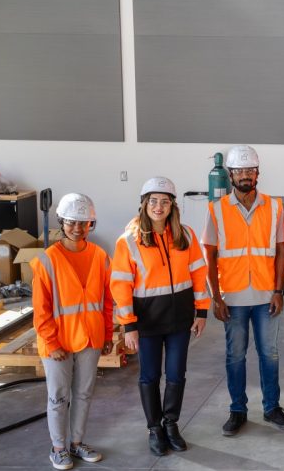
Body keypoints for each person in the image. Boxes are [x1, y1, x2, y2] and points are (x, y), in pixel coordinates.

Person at [111, 177, 209, 456]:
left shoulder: (185, 235)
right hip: (148, 322)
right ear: (144, 204)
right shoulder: (128, 241)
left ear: (172, 206)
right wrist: (128, 325)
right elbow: (121, 285)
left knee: (177, 374)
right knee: (150, 376)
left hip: (179, 320)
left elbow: (198, 276)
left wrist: (201, 312)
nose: (159, 206)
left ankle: (171, 424)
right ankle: (154, 428)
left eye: (165, 201)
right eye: (153, 201)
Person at [202, 145, 284, 436]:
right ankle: (237, 410)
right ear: (231, 175)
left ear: (257, 174)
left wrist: (279, 291)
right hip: (233, 296)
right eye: (239, 171)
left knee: (270, 354)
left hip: (267, 295)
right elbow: (210, 255)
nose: (245, 175)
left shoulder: (275, 206)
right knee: (235, 356)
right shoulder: (216, 209)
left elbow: (282, 250)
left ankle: (272, 408)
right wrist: (215, 297)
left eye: (249, 171)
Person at [32, 194, 112, 470]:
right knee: (58, 396)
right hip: (58, 342)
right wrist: (51, 342)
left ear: (91, 223)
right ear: (61, 222)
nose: (77, 228)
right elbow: (41, 310)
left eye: (83, 222)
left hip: (90, 338)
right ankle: (58, 448)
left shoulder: (101, 257)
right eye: (71, 222)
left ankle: (77, 444)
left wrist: (109, 334)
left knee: (84, 393)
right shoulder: (47, 260)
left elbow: (107, 301)